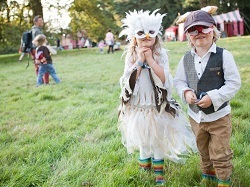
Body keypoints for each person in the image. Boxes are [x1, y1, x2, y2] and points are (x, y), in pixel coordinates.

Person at [118, 9, 197, 186]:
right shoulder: (131, 56)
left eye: (150, 35)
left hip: (157, 106)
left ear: (156, 36)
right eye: (141, 35)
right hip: (139, 105)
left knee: (157, 140)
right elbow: (128, 80)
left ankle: (159, 175)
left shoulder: (161, 54)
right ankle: (144, 170)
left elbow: (164, 78)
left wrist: (151, 60)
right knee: (143, 140)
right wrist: (139, 61)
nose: (146, 38)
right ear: (134, 37)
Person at [173, 6, 241, 187]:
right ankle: (208, 175)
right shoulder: (186, 59)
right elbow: (179, 81)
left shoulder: (224, 56)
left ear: (213, 30)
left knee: (220, 151)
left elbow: (234, 83)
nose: (199, 33)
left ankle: (223, 180)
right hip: (196, 117)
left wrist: (214, 97)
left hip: (218, 116)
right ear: (188, 35)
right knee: (202, 149)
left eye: (203, 28)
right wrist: (185, 92)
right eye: (193, 30)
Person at [30, 15, 50, 84]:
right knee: (45, 65)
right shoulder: (37, 31)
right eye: (40, 21)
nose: (42, 22)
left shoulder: (33, 30)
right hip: (39, 50)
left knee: (38, 66)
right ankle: (46, 82)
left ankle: (40, 82)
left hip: (34, 50)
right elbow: (42, 42)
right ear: (35, 22)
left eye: (42, 20)